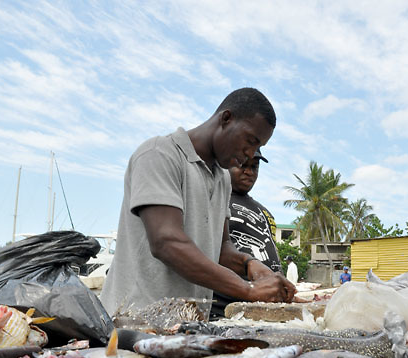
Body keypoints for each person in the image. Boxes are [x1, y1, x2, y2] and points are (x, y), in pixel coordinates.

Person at [100, 88, 297, 315]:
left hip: (185, 325)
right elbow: (167, 242)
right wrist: (248, 289)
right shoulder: (160, 154)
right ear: (226, 118)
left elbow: (221, 248)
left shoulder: (222, 178)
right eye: (250, 141)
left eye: (258, 147)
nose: (251, 154)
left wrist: (250, 264)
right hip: (134, 321)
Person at [211, 149, 282, 317]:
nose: (249, 172)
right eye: (243, 165)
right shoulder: (217, 198)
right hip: (228, 307)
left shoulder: (264, 211)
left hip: (265, 305)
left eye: (254, 167)